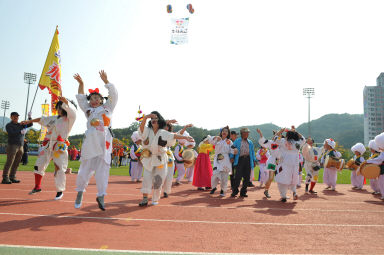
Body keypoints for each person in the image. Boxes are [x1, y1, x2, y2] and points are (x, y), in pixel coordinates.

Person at [73, 70, 118, 211]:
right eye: (91, 98)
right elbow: (81, 98)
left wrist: (106, 81)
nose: (94, 101)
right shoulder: (88, 110)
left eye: (97, 98)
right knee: (84, 169)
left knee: (103, 170)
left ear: (101, 99)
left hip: (105, 143)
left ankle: (101, 197)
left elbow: (114, 94)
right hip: (91, 142)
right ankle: (80, 192)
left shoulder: (108, 107)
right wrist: (81, 84)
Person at [24, 97, 76, 200]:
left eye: (62, 108)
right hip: (47, 145)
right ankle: (37, 186)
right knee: (38, 165)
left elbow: (72, 112)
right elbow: (42, 119)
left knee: (59, 167)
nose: (60, 110)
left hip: (59, 146)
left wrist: (66, 102)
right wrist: (28, 121)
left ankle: (59, 190)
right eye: (58, 108)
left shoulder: (70, 119)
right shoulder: (53, 118)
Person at [138, 112, 194, 206]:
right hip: (149, 158)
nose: (153, 120)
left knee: (158, 180)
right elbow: (141, 128)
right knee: (146, 178)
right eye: (152, 119)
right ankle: (144, 198)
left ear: (159, 121)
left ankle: (155, 199)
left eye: (155, 119)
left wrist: (185, 137)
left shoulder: (162, 132)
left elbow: (173, 136)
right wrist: (146, 117)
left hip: (160, 159)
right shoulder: (147, 130)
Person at [273, 127, 305, 202]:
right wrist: (295, 131)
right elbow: (303, 138)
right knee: (293, 178)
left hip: (284, 162)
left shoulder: (283, 141)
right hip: (294, 163)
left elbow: (275, 137)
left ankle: (283, 196)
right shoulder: (298, 142)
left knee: (282, 178)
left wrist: (281, 131)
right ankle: (294, 192)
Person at [2, 112, 32, 184]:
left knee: (17, 162)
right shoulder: (9, 125)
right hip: (12, 145)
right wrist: (20, 131)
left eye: (17, 116)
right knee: (10, 161)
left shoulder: (20, 124)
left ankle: (12, 176)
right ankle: (5, 177)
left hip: (21, 146)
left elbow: (30, 124)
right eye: (14, 116)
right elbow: (11, 133)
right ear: (11, 117)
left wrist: (30, 117)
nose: (16, 117)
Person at [209, 126, 238, 197]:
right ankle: (214, 187)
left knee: (224, 177)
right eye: (223, 131)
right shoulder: (217, 140)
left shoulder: (229, 141)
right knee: (215, 174)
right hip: (217, 160)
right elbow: (209, 140)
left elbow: (233, 150)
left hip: (225, 160)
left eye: (226, 131)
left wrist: (235, 151)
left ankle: (223, 190)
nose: (224, 132)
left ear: (228, 133)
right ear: (221, 132)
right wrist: (215, 137)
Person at [230, 127, 256, 198]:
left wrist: (254, 160)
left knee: (247, 177)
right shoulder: (237, 141)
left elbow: (252, 152)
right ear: (241, 133)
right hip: (239, 160)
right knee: (237, 177)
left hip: (248, 160)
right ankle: (235, 191)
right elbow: (232, 148)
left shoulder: (250, 142)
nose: (246, 134)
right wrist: (231, 157)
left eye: (247, 133)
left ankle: (243, 192)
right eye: (245, 133)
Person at [257, 129, 281, 198]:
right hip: (272, 161)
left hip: (281, 162)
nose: (277, 135)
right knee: (270, 178)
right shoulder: (271, 142)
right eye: (276, 134)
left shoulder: (283, 142)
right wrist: (260, 132)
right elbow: (263, 141)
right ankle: (266, 190)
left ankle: (283, 193)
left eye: (279, 134)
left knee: (282, 178)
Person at [365, 133, 384, 200]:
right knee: (381, 183)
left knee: (382, 183)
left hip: (382, 170)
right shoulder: (382, 152)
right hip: (381, 170)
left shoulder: (382, 153)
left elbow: (379, 160)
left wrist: (368, 161)